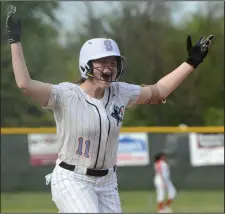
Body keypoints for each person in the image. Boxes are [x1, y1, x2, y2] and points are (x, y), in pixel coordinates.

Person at [6, 5, 214, 214]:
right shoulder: (65, 94)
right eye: (102, 61)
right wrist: (15, 41)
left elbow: (159, 91)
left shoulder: (120, 92)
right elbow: (25, 84)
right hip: (72, 178)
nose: (109, 66)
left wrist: (191, 62)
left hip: (107, 182)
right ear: (86, 65)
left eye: (113, 61)